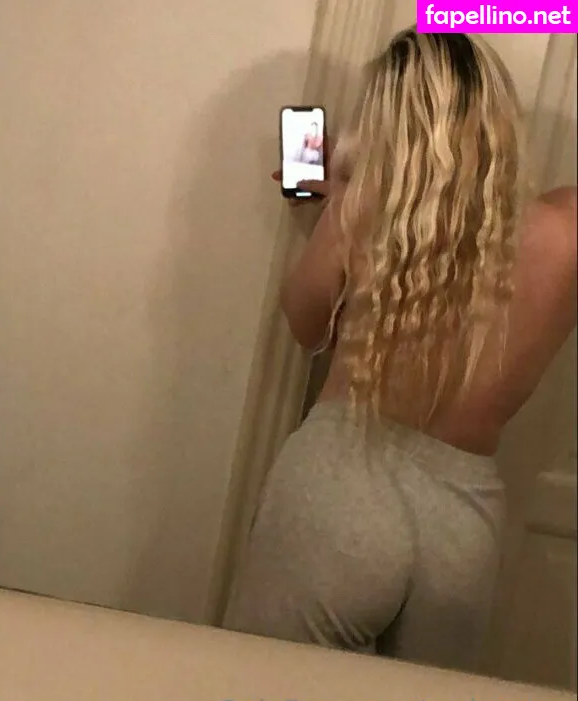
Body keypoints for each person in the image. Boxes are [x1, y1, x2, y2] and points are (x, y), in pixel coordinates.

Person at [223, 30, 577, 672]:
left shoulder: (365, 211)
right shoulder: (566, 230)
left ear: (387, 122)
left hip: (342, 489)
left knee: (267, 682)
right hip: (463, 519)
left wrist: (346, 195)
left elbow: (305, 322)